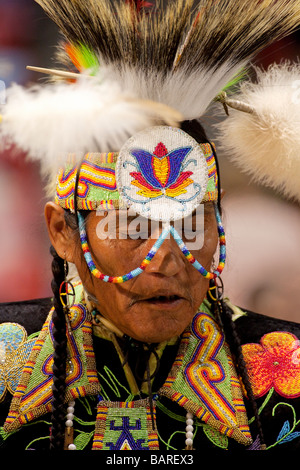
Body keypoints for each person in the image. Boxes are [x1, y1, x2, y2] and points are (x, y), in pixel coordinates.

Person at [0, 0, 300, 452]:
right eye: (132, 226)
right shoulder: (7, 367)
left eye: (191, 225)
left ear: (220, 227)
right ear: (63, 232)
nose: (167, 256)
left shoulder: (288, 373)